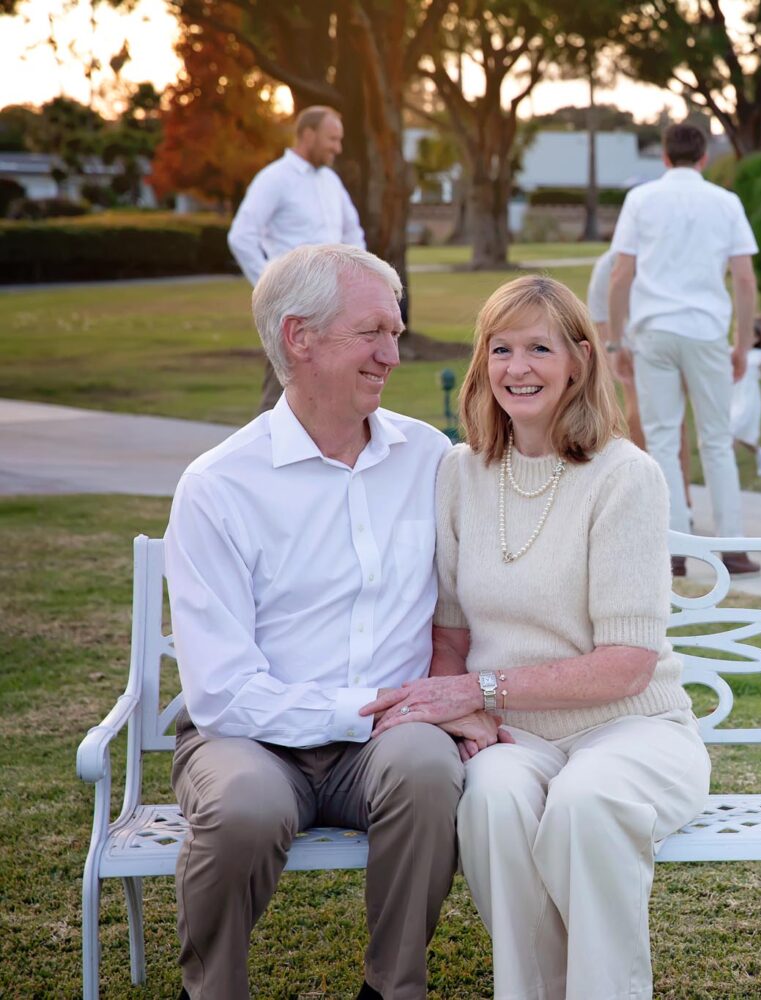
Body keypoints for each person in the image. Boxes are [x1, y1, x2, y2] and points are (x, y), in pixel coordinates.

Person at [361, 275, 710, 1000]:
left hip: (631, 731)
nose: (518, 368)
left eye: (540, 348)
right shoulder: (461, 472)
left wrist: (480, 688)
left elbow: (627, 665)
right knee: (490, 803)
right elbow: (450, 629)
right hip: (513, 736)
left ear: (579, 360)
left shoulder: (627, 477)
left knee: (585, 804)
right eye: (502, 348)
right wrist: (467, 708)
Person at [163, 245, 476, 1000]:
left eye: (396, 333)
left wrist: (460, 696)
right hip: (252, 739)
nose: (392, 355)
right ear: (299, 338)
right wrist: (366, 710)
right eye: (373, 332)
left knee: (429, 770)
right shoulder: (219, 486)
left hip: (388, 742)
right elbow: (224, 693)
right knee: (244, 806)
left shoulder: (428, 457)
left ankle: (392, 989)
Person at [607, 122, 760, 577]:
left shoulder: (641, 200)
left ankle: (672, 548)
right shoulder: (726, 202)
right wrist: (743, 342)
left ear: (665, 157)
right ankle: (732, 547)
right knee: (716, 441)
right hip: (707, 330)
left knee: (661, 439)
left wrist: (616, 340)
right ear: (704, 158)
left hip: (654, 331)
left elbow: (621, 275)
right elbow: (746, 279)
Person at [228, 106, 365, 414]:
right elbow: (241, 236)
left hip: (335, 304)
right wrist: (272, 288)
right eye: (332, 139)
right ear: (308, 135)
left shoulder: (330, 181)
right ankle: (264, 460)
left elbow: (352, 233)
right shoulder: (274, 179)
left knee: (333, 389)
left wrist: (358, 279)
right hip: (295, 307)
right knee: (281, 394)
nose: (337, 148)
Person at [586, 245, 695, 510]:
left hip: (666, 344)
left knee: (673, 420)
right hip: (628, 348)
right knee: (639, 415)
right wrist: (616, 351)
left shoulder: (665, 257)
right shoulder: (609, 264)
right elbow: (600, 315)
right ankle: (645, 493)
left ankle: (682, 498)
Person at [730, 317, 761, 477]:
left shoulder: (757, 356)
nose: (739, 337)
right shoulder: (730, 353)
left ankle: (728, 468)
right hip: (732, 398)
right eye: (737, 332)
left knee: (732, 430)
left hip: (748, 399)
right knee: (741, 434)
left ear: (756, 338)